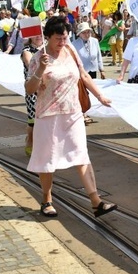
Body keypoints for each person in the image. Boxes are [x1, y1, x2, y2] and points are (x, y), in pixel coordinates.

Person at [24, 16, 117, 218]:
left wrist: (100, 95)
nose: (62, 42)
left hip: (73, 112)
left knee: (81, 154)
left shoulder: (70, 50)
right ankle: (47, 200)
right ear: (48, 37)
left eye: (65, 37)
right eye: (58, 38)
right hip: (48, 115)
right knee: (48, 159)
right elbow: (29, 89)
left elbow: (83, 75)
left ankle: (96, 201)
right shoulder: (39, 57)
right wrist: (40, 68)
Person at [72, 22, 105, 125]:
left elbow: (99, 55)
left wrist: (101, 69)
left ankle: (89, 111)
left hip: (92, 70)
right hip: (81, 72)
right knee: (82, 93)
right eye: (84, 32)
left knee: (91, 92)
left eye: (88, 32)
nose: (87, 34)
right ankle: (83, 113)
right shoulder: (74, 44)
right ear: (79, 34)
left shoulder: (94, 41)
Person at [21, 34, 44, 156]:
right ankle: (30, 141)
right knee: (33, 121)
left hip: (47, 89)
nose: (38, 37)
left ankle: (42, 146)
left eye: (40, 35)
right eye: (35, 36)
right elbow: (31, 65)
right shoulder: (27, 51)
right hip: (33, 90)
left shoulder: (47, 49)